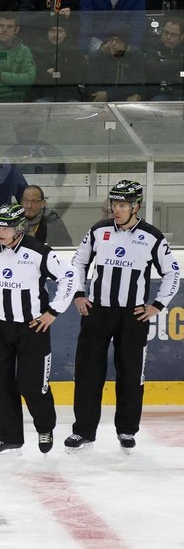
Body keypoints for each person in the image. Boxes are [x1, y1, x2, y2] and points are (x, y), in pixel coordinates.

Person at [66, 180, 180, 454]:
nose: (116, 210)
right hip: (97, 312)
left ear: (135, 206)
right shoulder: (99, 230)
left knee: (130, 374)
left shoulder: (152, 236)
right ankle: (83, 431)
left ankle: (127, 430)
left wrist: (157, 305)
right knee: (88, 373)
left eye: (122, 205)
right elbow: (78, 262)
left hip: (133, 316)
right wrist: (79, 293)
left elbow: (172, 273)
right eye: (114, 204)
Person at [0, 203, 78, 457]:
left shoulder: (38, 252)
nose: (0, 232)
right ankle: (9, 436)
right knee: (0, 384)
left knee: (33, 384)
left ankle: (45, 428)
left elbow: (70, 276)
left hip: (33, 328)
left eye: (7, 227)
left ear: (20, 228)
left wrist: (54, 311)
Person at [78, 0, 146, 54]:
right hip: (99, 40)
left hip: (124, 40)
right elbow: (86, 22)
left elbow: (138, 23)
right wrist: (83, 52)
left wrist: (133, 48)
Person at [84, 22, 145, 102]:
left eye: (118, 41)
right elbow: (93, 89)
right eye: (111, 39)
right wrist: (125, 98)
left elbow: (138, 86)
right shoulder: (97, 57)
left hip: (125, 103)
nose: (113, 44)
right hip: (104, 103)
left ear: (126, 43)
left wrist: (108, 95)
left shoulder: (136, 55)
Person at [27, 19, 83, 102]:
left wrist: (57, 69)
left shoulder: (74, 51)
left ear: (66, 34)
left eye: (60, 31)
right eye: (52, 30)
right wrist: (63, 74)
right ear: (47, 33)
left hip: (70, 96)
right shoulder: (37, 50)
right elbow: (36, 75)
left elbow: (80, 75)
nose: (55, 35)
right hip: (42, 96)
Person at [143, 17, 184, 101]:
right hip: (159, 94)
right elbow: (152, 69)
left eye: (174, 34)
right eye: (166, 33)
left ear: (182, 37)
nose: (168, 37)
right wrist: (179, 65)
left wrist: (163, 67)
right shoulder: (152, 49)